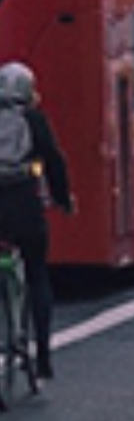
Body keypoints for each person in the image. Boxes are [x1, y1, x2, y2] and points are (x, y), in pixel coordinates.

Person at [0, 62, 74, 381]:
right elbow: (54, 161)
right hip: (24, 206)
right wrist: (63, 199)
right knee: (37, 273)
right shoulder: (33, 119)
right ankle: (42, 354)